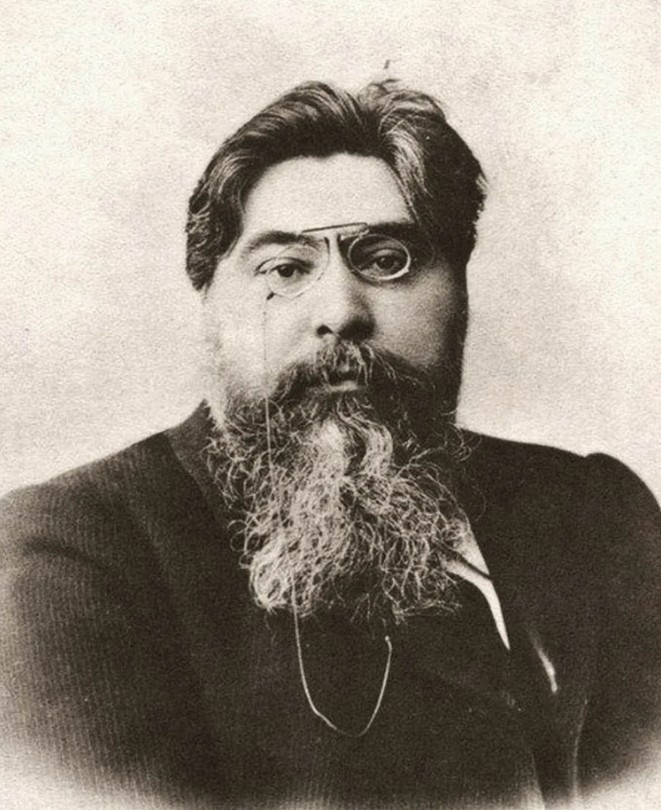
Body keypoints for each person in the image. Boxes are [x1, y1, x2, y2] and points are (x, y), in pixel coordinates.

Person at [1, 80, 660, 810]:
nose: (341, 312)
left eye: (387, 259)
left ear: (460, 292)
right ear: (210, 301)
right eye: (285, 270)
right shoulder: (73, 552)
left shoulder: (598, 514)